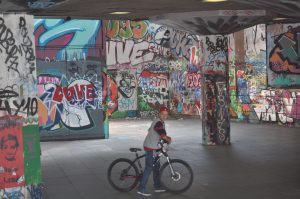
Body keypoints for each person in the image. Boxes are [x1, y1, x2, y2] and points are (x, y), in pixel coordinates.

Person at [137, 106, 172, 196]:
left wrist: (161, 139)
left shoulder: (159, 122)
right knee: (149, 167)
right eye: (163, 114)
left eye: (166, 115)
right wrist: (168, 139)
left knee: (156, 167)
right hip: (150, 147)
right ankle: (141, 188)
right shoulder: (159, 123)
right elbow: (162, 135)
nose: (164, 116)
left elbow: (151, 130)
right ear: (159, 114)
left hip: (154, 147)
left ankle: (157, 186)